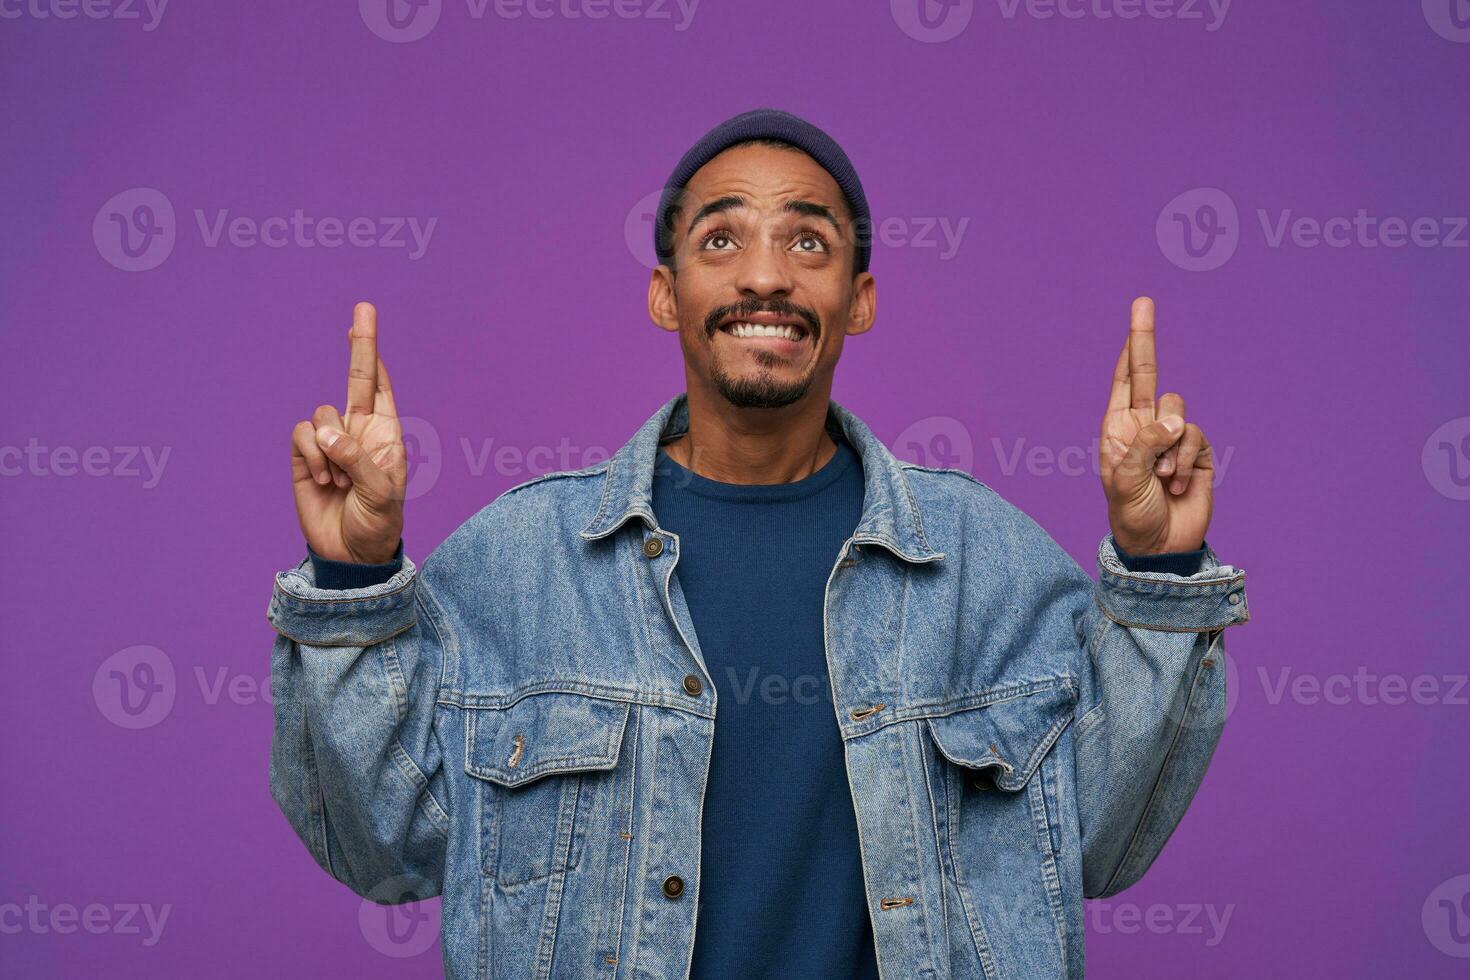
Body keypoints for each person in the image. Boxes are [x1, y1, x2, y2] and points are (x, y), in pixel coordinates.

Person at [268, 107, 1249, 980]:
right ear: (668, 292)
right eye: (723, 236)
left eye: (809, 241)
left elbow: (1101, 842)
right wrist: (354, 574)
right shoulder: (515, 563)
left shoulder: (988, 562)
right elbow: (383, 848)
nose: (767, 273)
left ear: (859, 299)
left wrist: (1157, 568)